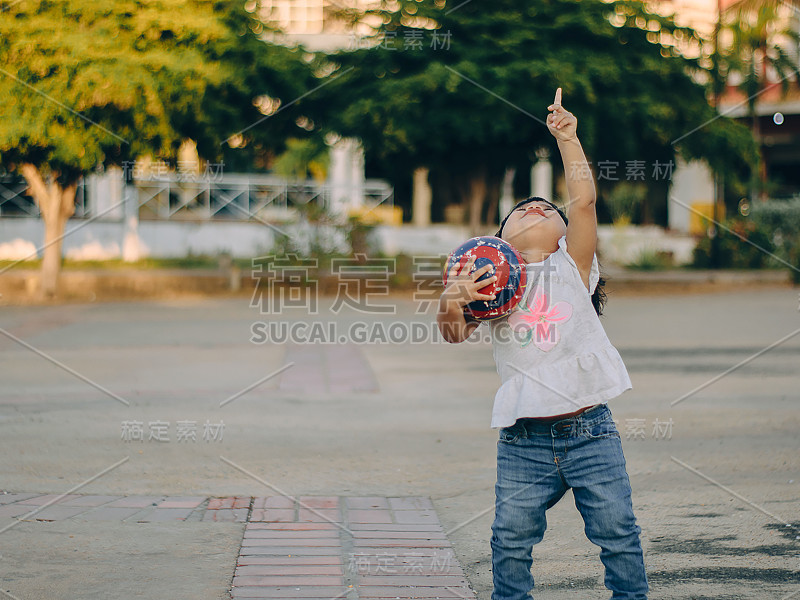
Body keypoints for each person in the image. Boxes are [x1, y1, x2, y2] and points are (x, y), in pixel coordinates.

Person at [436, 88, 648, 599]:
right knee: (509, 539)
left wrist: (568, 139)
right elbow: (453, 330)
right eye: (521, 210)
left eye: (544, 208)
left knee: (617, 534)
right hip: (523, 442)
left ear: (562, 231)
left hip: (590, 431)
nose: (534, 209)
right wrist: (451, 297)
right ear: (501, 238)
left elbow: (584, 200)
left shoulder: (570, 268)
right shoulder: (492, 284)